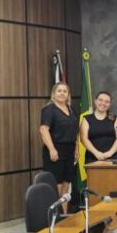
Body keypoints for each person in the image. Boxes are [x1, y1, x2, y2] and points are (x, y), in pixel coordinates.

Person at [39, 82, 78, 212]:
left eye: (65, 91)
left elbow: (75, 132)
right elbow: (44, 129)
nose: (62, 93)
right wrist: (52, 149)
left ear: (68, 95)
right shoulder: (49, 109)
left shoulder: (71, 109)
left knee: (67, 183)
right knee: (57, 185)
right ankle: (54, 215)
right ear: (54, 94)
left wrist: (76, 150)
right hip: (55, 150)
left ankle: (64, 215)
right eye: (59, 91)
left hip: (69, 150)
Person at [80, 91, 117, 164]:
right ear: (95, 101)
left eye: (107, 102)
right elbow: (83, 139)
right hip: (92, 158)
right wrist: (96, 153)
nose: (103, 103)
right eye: (100, 100)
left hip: (113, 158)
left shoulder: (115, 119)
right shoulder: (86, 119)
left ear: (109, 104)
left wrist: (109, 153)